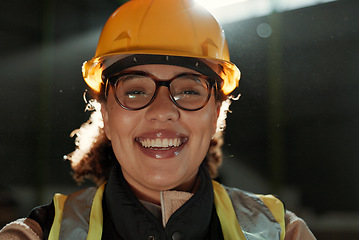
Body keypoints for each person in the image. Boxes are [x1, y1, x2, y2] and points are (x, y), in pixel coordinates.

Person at [0, 0, 316, 239]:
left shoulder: (281, 232)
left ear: (216, 114)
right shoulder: (39, 234)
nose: (161, 110)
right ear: (107, 115)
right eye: (135, 91)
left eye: (189, 91)